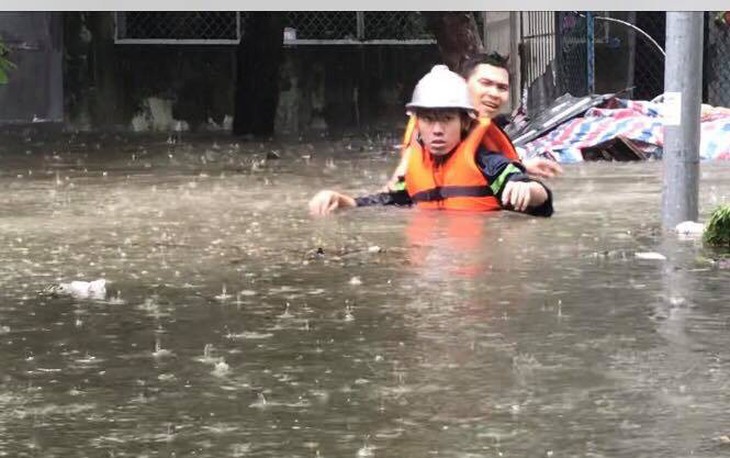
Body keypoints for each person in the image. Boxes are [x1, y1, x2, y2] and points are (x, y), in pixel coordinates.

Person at [309, 65, 553, 217]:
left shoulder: (486, 161)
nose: (437, 130)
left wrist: (530, 190)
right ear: (418, 123)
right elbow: (389, 200)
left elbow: (532, 191)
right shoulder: (415, 166)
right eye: (428, 120)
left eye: (447, 119)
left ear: (465, 123)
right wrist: (345, 201)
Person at [384, 52, 562, 191]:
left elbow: (485, 166)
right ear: (463, 84)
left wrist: (522, 168)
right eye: (485, 83)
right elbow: (406, 171)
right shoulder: (432, 128)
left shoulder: (485, 129)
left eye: (502, 88)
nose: (494, 93)